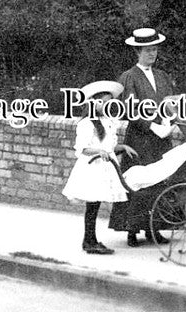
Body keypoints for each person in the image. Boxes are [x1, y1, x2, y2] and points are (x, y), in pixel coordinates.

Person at [110, 27, 178, 247]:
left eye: (155, 50)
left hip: (161, 141)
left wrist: (169, 121)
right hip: (140, 140)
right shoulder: (129, 77)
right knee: (137, 182)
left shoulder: (162, 76)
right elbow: (130, 109)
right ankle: (132, 230)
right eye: (147, 50)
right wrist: (151, 126)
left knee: (161, 181)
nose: (152, 54)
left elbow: (170, 103)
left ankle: (155, 229)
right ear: (137, 52)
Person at [61, 80, 136, 255]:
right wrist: (99, 151)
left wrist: (122, 148)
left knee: (95, 205)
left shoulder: (109, 122)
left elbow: (109, 147)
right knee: (92, 205)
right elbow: (82, 148)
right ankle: (89, 241)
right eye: (104, 102)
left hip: (106, 167)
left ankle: (90, 240)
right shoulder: (87, 123)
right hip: (93, 168)